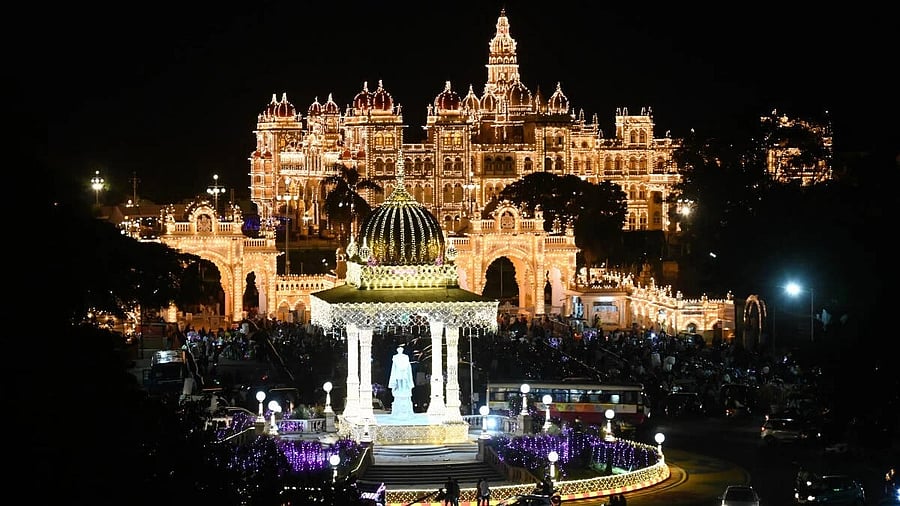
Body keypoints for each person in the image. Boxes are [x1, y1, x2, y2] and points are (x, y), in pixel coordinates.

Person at [388, 346, 415, 417]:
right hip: (398, 371)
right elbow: (394, 366)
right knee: (399, 380)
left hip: (404, 371)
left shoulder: (406, 356)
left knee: (404, 380)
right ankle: (400, 389)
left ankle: (403, 389)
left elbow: (407, 364)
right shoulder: (395, 357)